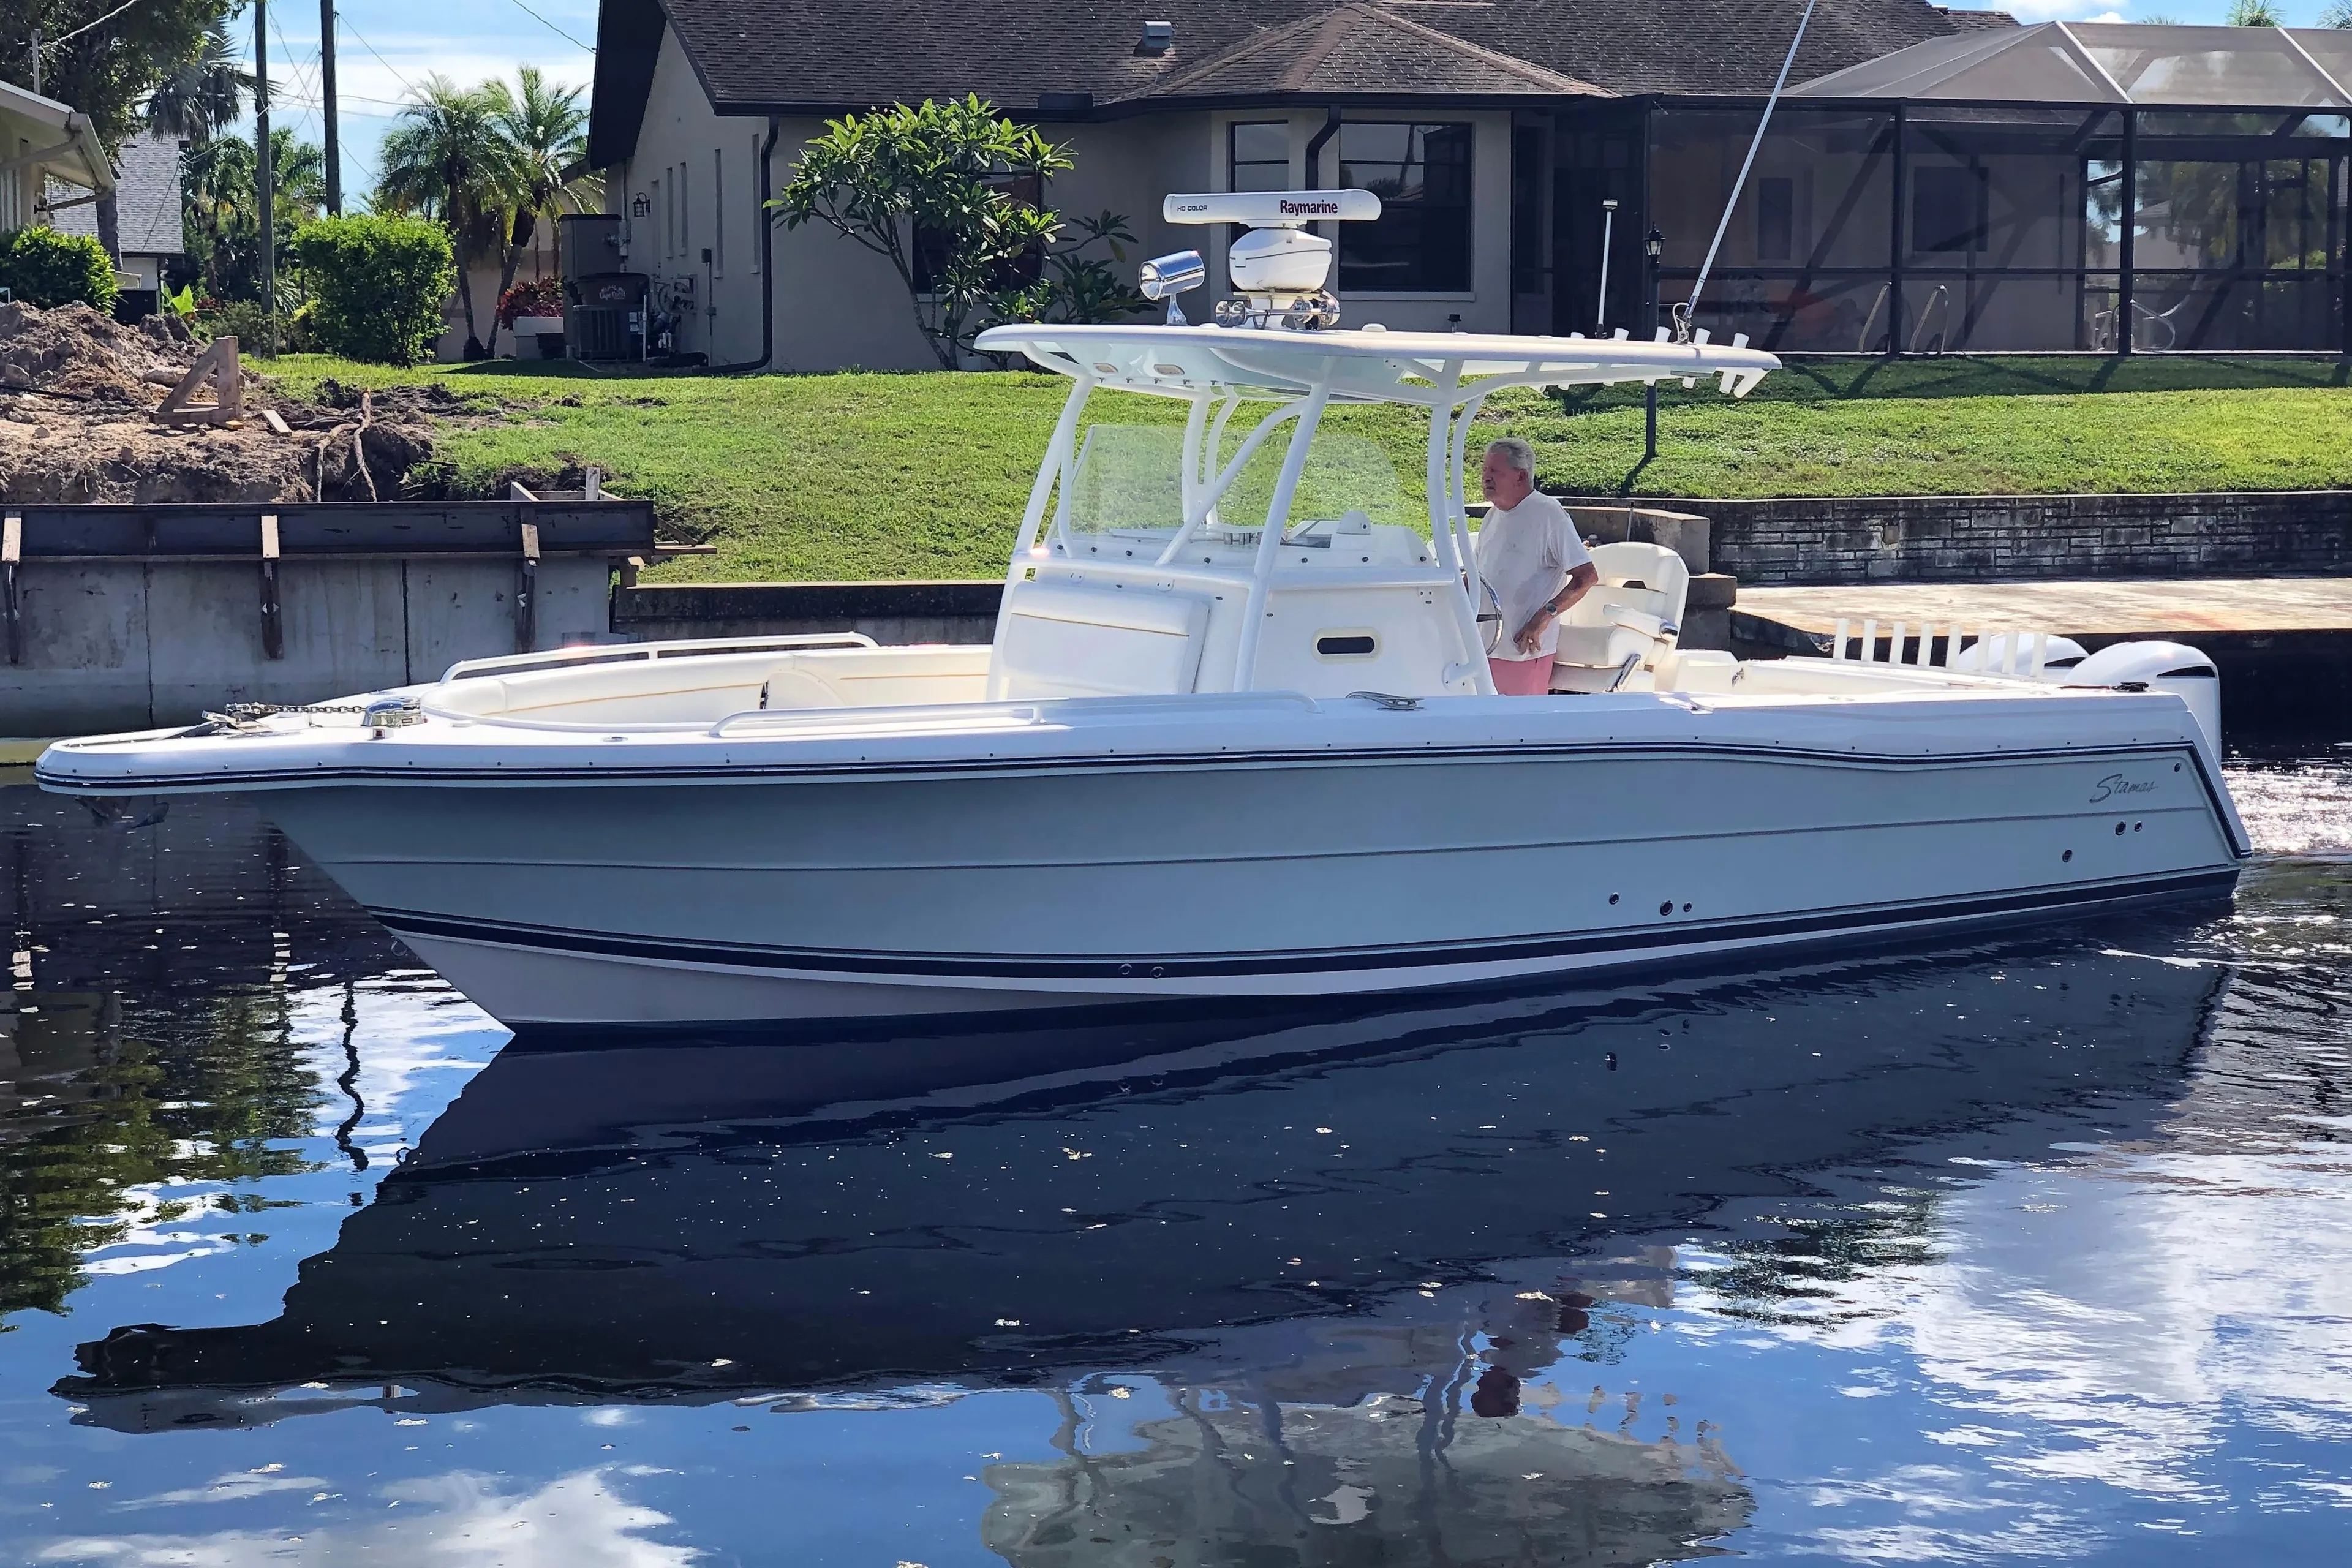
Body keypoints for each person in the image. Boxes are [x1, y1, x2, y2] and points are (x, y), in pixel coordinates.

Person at [1474, 437, 1597, 695]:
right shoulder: (1492, 516)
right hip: (1483, 649)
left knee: (1519, 732)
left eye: (1495, 471)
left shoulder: (1548, 513)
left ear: (1521, 477)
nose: (1486, 477)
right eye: (1485, 470)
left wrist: (1543, 618)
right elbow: (1478, 577)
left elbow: (1586, 577)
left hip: (1524, 651)